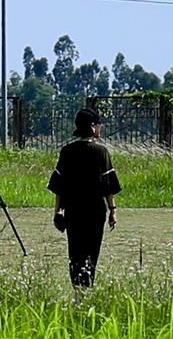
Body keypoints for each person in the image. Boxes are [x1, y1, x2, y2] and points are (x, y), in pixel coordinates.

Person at [48, 107, 120, 288]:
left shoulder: (67, 151)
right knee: (92, 249)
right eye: (98, 125)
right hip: (95, 210)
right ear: (93, 127)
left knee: (75, 250)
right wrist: (113, 210)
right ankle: (88, 284)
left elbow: (59, 186)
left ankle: (77, 286)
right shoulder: (101, 152)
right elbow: (108, 186)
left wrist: (57, 212)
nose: (100, 128)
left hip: (73, 209)